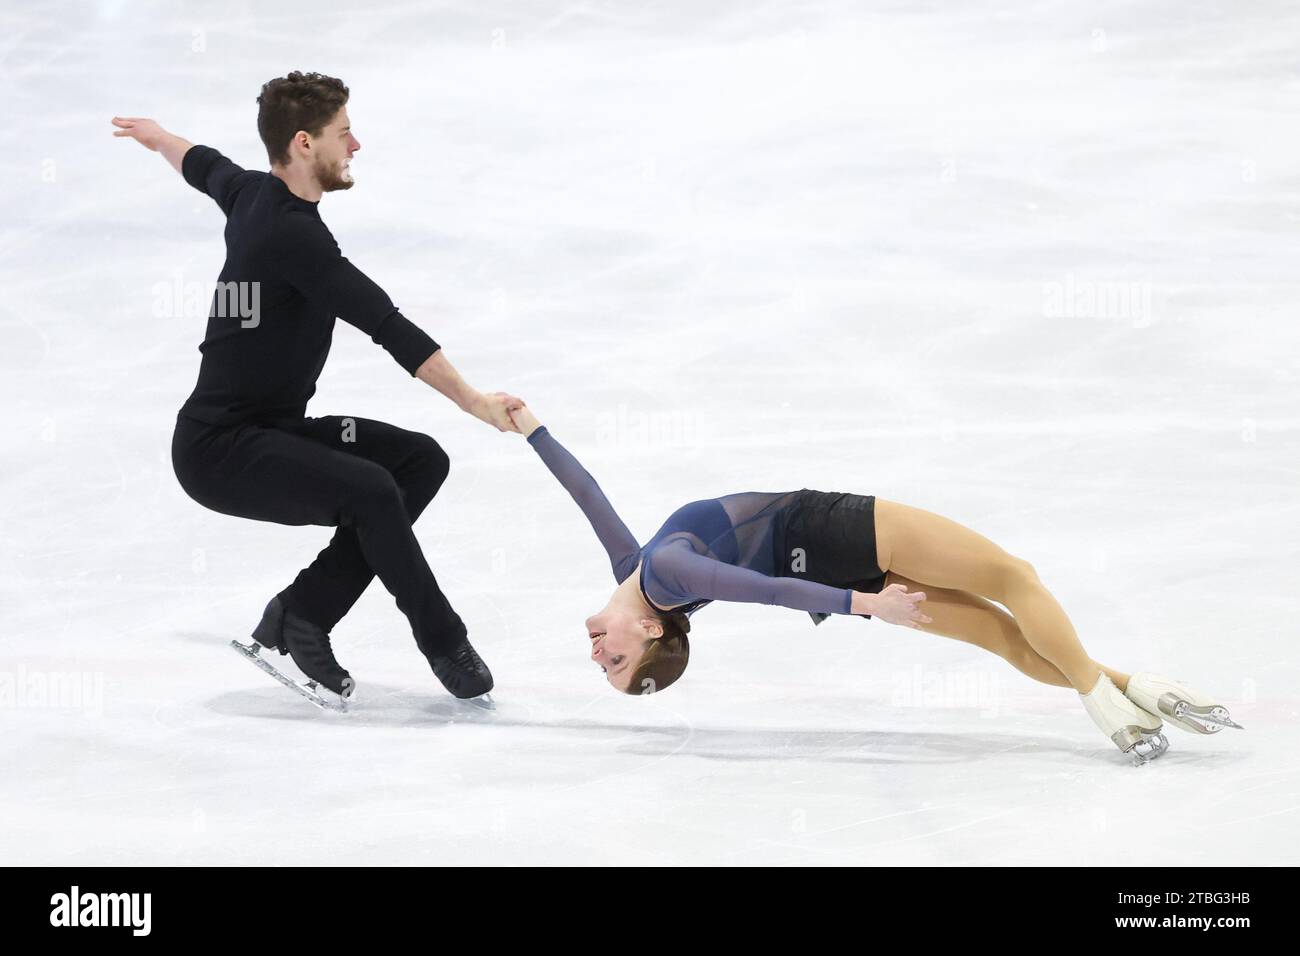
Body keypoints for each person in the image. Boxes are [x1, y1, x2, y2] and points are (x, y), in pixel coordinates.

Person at [505, 402, 1242, 764]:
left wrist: (534, 431)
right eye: (618, 663)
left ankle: (1135, 691)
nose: (599, 655)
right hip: (830, 538)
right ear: (653, 632)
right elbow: (766, 592)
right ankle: (1105, 698)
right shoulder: (664, 575)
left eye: (604, 666)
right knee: (1014, 579)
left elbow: (587, 493)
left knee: (1002, 638)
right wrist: (871, 604)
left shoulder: (632, 571)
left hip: (831, 571)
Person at [112, 71, 518, 707]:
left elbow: (203, 165)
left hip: (271, 429)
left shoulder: (249, 193)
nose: (355, 146)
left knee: (418, 462)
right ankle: (442, 640)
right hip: (221, 450)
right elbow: (386, 324)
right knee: (371, 489)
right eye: (344, 133)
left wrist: (161, 137)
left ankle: (301, 612)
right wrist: (475, 401)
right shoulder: (293, 238)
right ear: (304, 143)